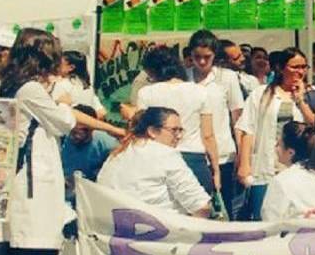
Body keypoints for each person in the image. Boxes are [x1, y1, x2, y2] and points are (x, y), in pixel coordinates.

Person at [0, 30, 122, 255]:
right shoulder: (30, 89)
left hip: (36, 178)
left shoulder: (17, 85)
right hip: (33, 181)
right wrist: (64, 103)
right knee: (31, 250)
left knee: (32, 248)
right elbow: (64, 122)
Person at [236, 48, 315, 220]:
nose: (300, 71)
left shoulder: (312, 95)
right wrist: (244, 164)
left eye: (303, 67)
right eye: (295, 67)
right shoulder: (261, 94)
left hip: (296, 168)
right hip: (266, 166)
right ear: (281, 68)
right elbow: (248, 129)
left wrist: (300, 100)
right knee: (263, 216)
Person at [136, 46, 220, 195]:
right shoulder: (200, 92)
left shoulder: (146, 93)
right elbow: (208, 136)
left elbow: (142, 132)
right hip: (194, 161)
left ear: (153, 71)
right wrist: (216, 171)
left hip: (158, 160)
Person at [98, 107, 211, 217]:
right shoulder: (166, 155)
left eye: (181, 130)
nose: (179, 136)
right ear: (152, 131)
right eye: (174, 130)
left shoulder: (117, 154)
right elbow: (201, 206)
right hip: (161, 230)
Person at [188, 30, 244, 220]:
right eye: (197, 57)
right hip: (192, 153)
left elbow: (237, 117)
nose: (202, 62)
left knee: (224, 208)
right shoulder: (183, 77)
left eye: (207, 57)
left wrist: (242, 154)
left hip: (223, 154)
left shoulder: (227, 78)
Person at [261, 121, 315, 221]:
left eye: (279, 144)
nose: (275, 147)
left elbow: (270, 223)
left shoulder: (282, 182)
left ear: (290, 152)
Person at [61, 104, 119, 202]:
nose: (77, 136)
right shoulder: (60, 140)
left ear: (93, 128)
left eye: (84, 130)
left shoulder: (107, 144)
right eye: (74, 131)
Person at [51, 51, 106, 119]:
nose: (56, 66)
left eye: (59, 64)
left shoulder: (61, 85)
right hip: (87, 125)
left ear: (71, 67)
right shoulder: (88, 87)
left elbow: (52, 111)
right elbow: (102, 112)